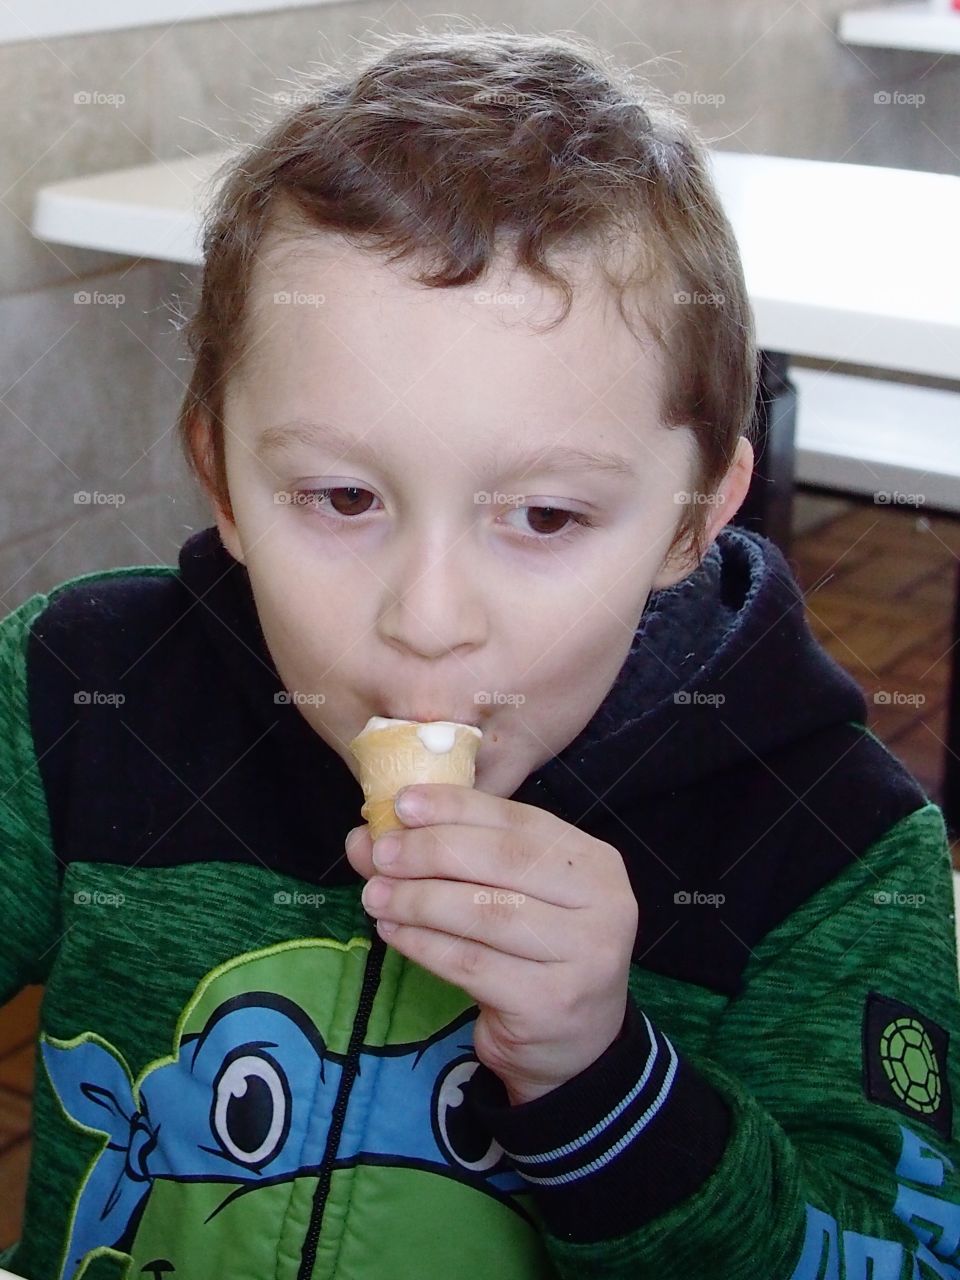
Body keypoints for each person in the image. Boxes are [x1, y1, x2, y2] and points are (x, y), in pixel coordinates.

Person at [2, 25, 958, 1280]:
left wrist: (609, 1082)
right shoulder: (79, 690)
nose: (430, 616)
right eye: (342, 498)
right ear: (221, 481)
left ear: (693, 516)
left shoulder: (835, 855)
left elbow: (890, 1258)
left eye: (547, 516)